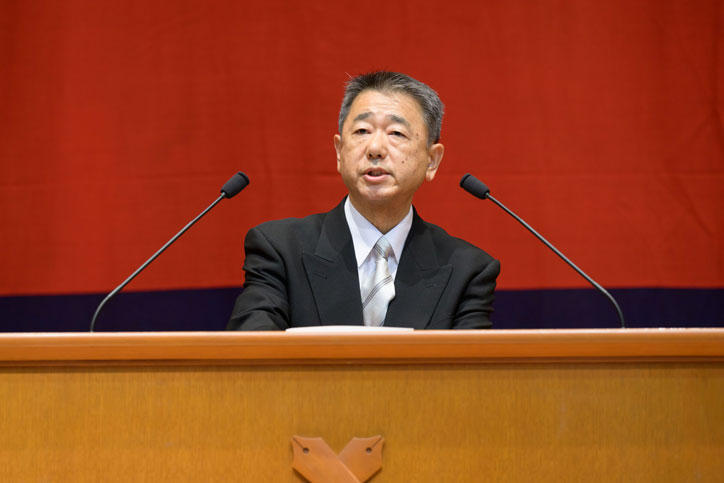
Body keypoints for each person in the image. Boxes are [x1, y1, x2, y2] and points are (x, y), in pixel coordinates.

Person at [227, 71, 499, 330]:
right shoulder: (280, 251)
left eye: (396, 133)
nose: (375, 149)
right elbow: (252, 352)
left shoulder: (468, 270)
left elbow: (470, 363)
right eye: (361, 131)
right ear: (339, 151)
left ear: (432, 160)